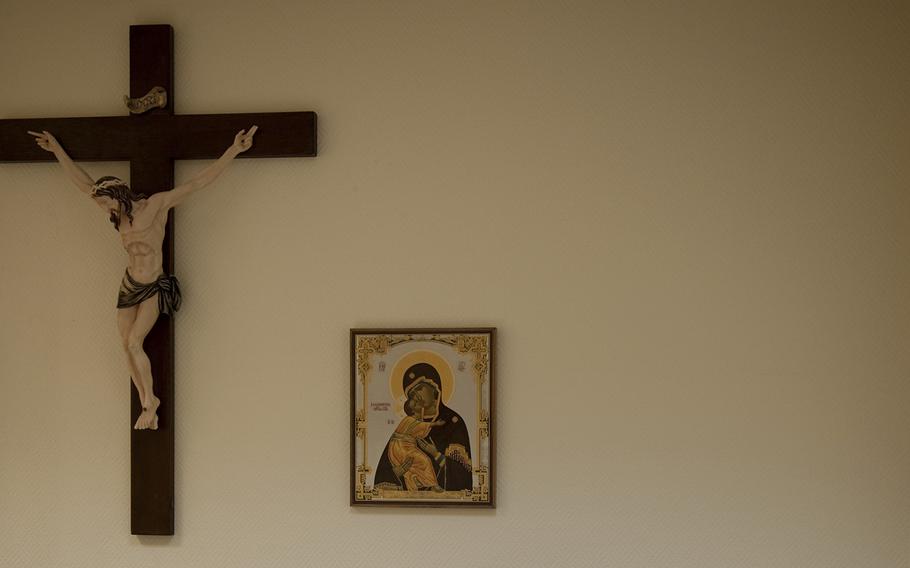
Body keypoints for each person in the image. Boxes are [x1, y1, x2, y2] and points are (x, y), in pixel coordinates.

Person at [28, 126, 257, 430]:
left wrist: (234, 150)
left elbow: (197, 183)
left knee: (136, 342)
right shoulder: (115, 212)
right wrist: (57, 150)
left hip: (152, 285)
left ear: (120, 195)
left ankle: (150, 402)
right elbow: (84, 185)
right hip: (129, 284)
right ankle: (144, 401)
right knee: (125, 344)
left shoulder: (156, 206)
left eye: (109, 204)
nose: (107, 211)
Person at [374, 363, 474, 493]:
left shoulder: (453, 422)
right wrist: (398, 471)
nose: (415, 395)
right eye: (411, 394)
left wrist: (436, 455)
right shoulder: (407, 425)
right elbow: (384, 475)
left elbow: (463, 473)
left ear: (434, 387)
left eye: (419, 388)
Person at [387, 382, 447, 492]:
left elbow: (419, 433)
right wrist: (435, 424)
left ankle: (415, 482)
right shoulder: (409, 420)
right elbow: (419, 427)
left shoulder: (450, 423)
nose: (418, 404)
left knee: (412, 469)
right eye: (415, 400)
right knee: (425, 460)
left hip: (403, 448)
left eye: (420, 401)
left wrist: (436, 454)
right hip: (402, 447)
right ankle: (433, 484)